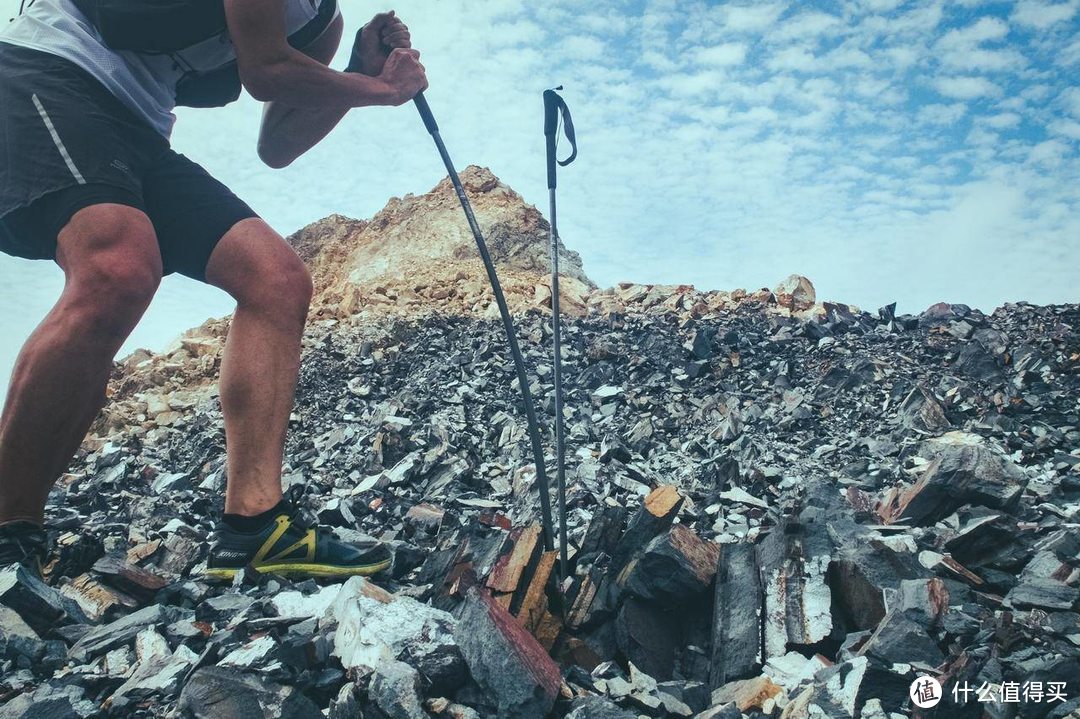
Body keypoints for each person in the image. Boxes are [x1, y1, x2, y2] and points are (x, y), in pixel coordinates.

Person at [0, 0, 428, 580]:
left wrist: (358, 70)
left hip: (140, 128)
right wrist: (383, 89)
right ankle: (8, 526)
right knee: (118, 267)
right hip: (47, 73)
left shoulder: (319, 20)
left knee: (275, 280)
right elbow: (265, 71)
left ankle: (255, 527)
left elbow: (277, 142)